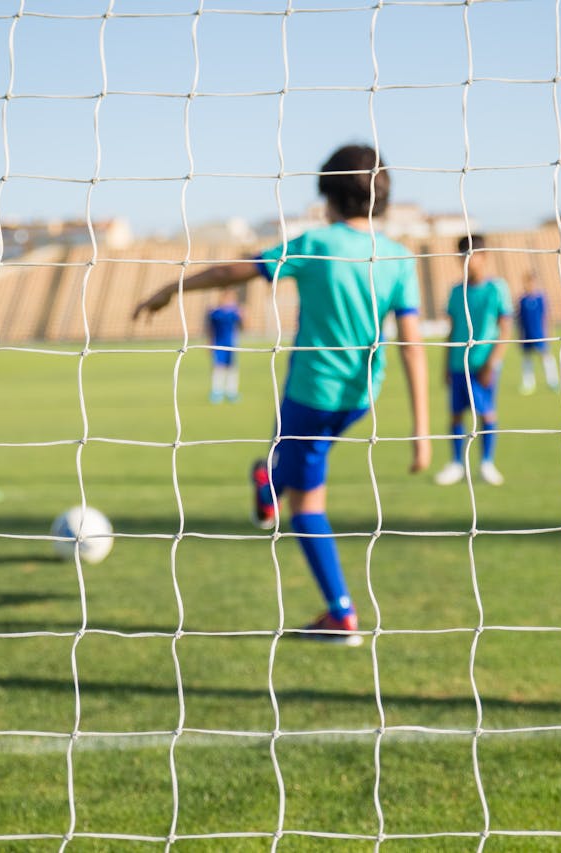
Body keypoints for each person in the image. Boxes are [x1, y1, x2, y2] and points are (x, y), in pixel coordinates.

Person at [134, 144, 430, 646]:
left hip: (311, 394)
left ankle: (341, 614)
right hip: (360, 398)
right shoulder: (398, 257)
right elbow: (413, 347)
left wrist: (172, 289)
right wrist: (422, 432)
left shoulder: (315, 243)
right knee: (292, 459)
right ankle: (268, 478)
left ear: (326, 194)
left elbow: (234, 272)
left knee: (307, 506)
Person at [433, 234, 513, 488]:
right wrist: (445, 364)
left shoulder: (496, 288)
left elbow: (505, 328)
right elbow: (452, 329)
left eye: (472, 256)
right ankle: (456, 463)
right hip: (458, 364)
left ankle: (487, 463)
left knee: (486, 414)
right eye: (462, 256)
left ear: (485, 257)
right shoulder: (456, 292)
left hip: (483, 365)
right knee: (456, 415)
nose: (468, 262)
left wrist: (493, 362)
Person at [517, 270, 559, 395]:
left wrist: (549, 332)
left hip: (539, 333)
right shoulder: (522, 300)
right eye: (527, 282)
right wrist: (519, 335)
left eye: (532, 282)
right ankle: (528, 384)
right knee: (527, 359)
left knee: (545, 356)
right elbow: (520, 319)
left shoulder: (541, 298)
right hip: (527, 335)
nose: (529, 285)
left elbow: (546, 316)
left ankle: (553, 382)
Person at [205, 289, 244, 403]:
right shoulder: (215, 313)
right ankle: (217, 391)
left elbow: (243, 326)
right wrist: (209, 343)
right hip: (219, 344)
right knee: (218, 367)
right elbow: (210, 329)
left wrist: (243, 315)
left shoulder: (235, 313)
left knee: (232, 368)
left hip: (231, 345)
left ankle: (232, 392)